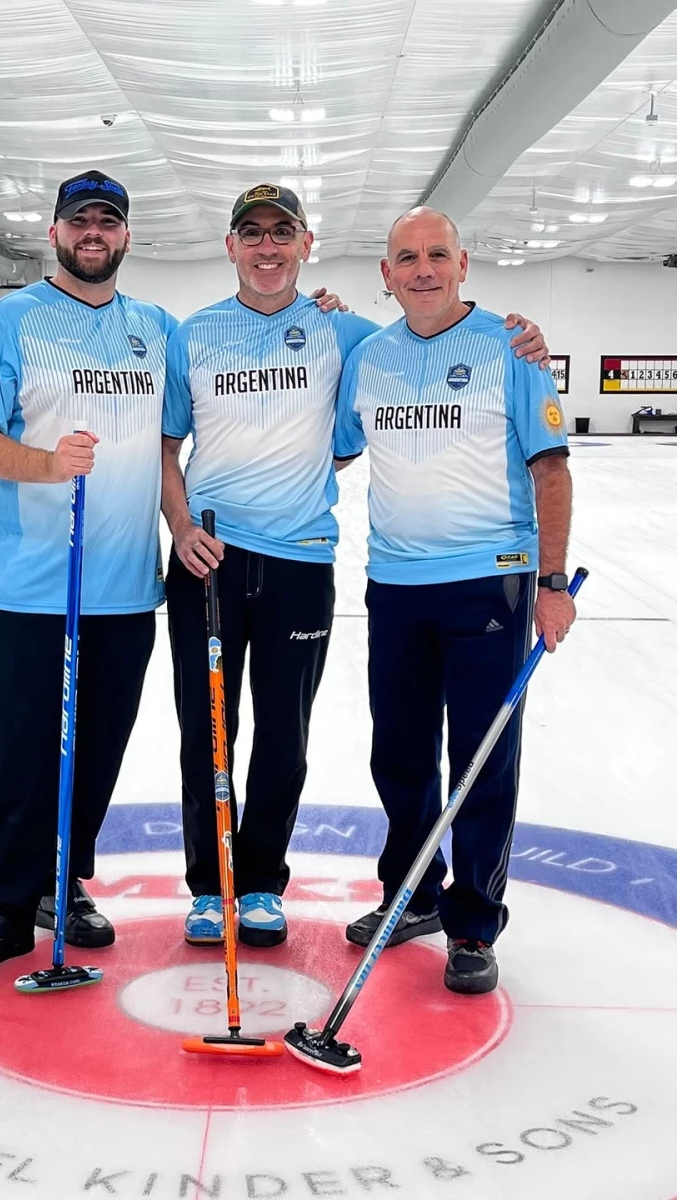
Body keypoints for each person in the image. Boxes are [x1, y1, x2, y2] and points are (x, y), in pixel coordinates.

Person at [161, 184, 551, 951]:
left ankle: (263, 882)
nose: (267, 247)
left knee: (282, 734)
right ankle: (211, 888)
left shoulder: (348, 333)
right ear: (231, 246)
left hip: (302, 560)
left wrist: (525, 338)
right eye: (252, 234)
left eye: (283, 233)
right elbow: (166, 445)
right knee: (206, 732)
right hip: (207, 559)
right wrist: (178, 522)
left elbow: (426, 337)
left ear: (307, 245)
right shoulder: (191, 335)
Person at [0, 170, 175, 977]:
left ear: (126, 237)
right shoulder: (10, 322)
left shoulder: (156, 329)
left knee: (97, 748)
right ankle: (5, 904)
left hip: (123, 587)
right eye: (81, 222)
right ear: (56, 232)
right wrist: (45, 463)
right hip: (30, 586)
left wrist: (326, 315)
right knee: (24, 750)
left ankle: (61, 883)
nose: (95, 235)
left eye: (109, 222)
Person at [337, 206, 575, 995]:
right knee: (399, 754)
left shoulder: (510, 349)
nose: (424, 269)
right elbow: (336, 447)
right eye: (407, 256)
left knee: (480, 761)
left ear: (463, 263)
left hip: (489, 584)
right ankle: (411, 896)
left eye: (438, 254)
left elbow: (551, 472)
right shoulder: (369, 356)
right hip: (397, 588)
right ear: (386, 273)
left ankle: (472, 923)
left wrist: (549, 583)